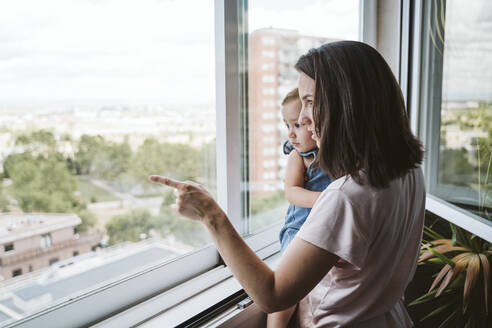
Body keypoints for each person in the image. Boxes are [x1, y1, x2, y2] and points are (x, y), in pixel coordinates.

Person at [150, 40, 425, 327]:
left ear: (347, 105)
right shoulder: (407, 170)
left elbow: (273, 295)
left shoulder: (347, 196)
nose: (304, 119)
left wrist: (211, 215)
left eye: (310, 102)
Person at [268, 88, 333, 327]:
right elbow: (292, 192)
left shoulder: (335, 155)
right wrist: (328, 200)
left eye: (297, 125)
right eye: (287, 125)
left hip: (324, 231)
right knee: (285, 290)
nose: (291, 134)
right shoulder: (299, 156)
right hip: (298, 231)